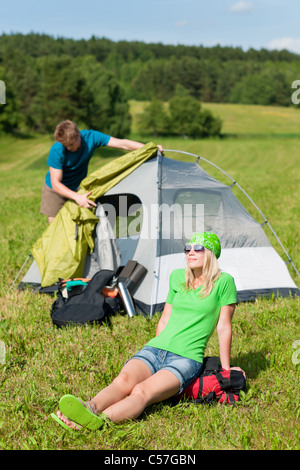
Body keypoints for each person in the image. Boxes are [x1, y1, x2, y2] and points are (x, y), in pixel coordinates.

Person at [52, 231, 244, 431]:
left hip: (186, 358)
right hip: (155, 349)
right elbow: (165, 318)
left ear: (211, 254)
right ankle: (89, 407)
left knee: (141, 391)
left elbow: (224, 327)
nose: (190, 253)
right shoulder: (177, 277)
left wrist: (226, 369)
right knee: (123, 380)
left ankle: (98, 423)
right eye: (188, 249)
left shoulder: (224, 282)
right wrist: (156, 349)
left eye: (198, 249)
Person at [40, 120, 163, 223]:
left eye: (71, 144)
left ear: (78, 135)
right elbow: (56, 183)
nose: (68, 148)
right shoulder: (57, 150)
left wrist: (150, 148)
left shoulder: (91, 137)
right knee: (55, 227)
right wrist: (77, 197)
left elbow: (122, 144)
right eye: (65, 145)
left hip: (76, 186)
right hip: (54, 190)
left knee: (80, 222)